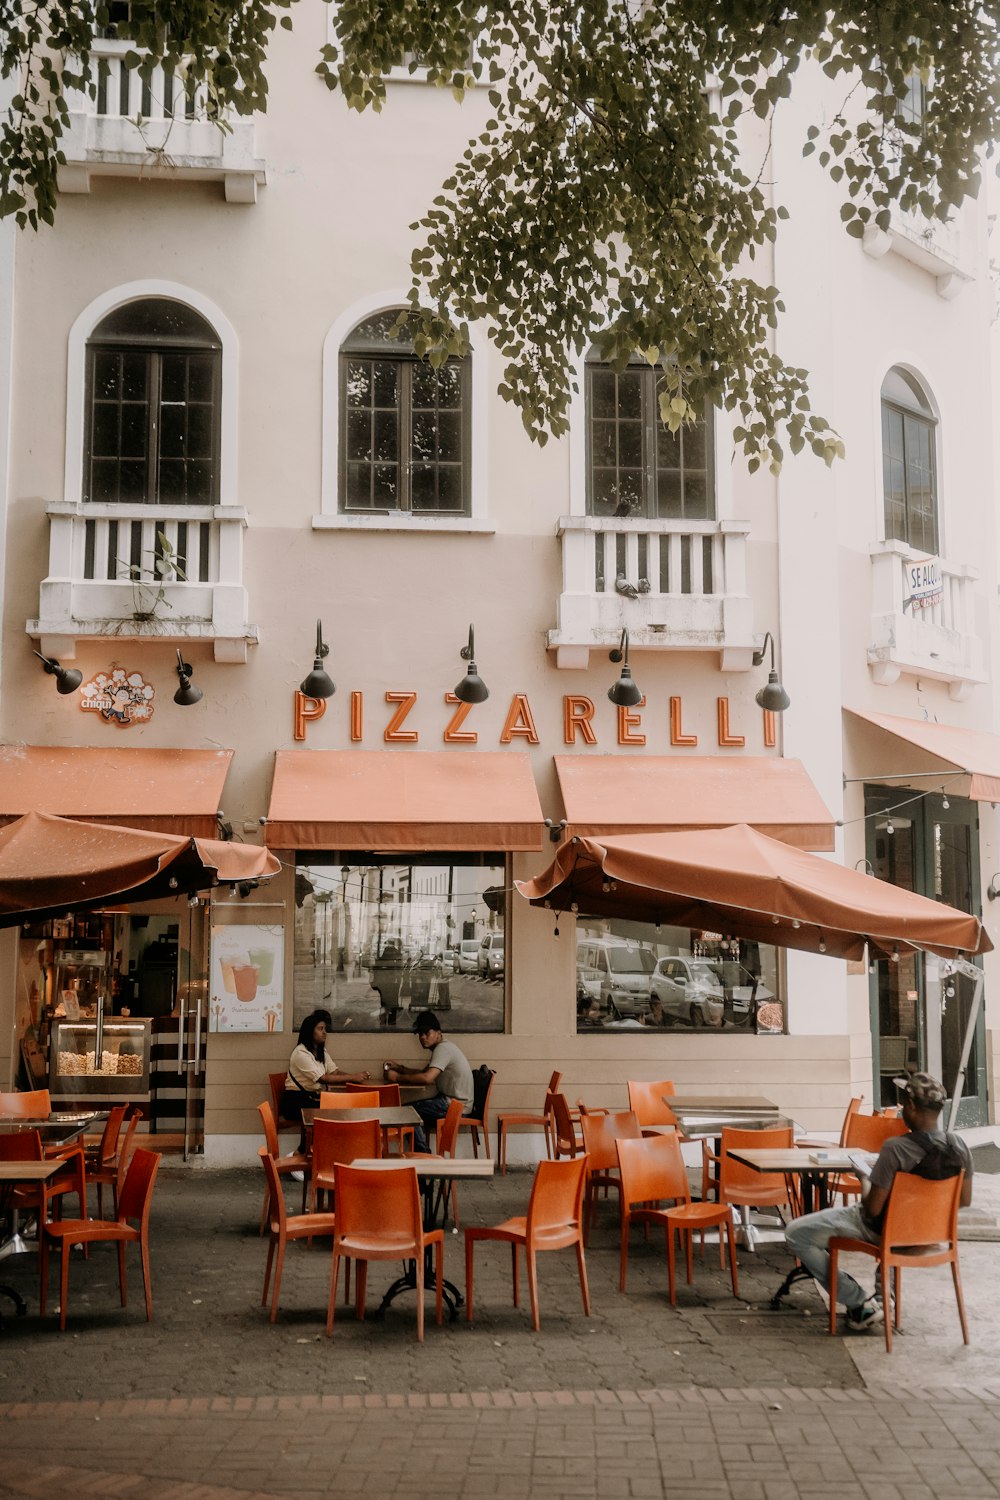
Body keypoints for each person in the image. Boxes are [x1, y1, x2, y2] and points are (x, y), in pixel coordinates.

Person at [784, 1072, 973, 1333]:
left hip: (884, 1231)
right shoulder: (960, 1146)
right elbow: (964, 1200)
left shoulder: (895, 1148)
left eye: (904, 1104)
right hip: (929, 1234)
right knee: (891, 1223)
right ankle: (885, 1298)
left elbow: (872, 1209)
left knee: (797, 1233)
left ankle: (860, 1302)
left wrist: (865, 1178)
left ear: (912, 1107)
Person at [384, 1009, 473, 1153]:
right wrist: (400, 1068)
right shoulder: (443, 1048)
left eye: (427, 1033)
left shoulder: (443, 1049)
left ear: (438, 1033)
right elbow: (424, 1072)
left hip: (456, 1106)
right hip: (452, 1102)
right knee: (410, 1111)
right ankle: (423, 1156)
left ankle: (425, 1156)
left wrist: (397, 1078)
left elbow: (427, 1078)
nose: (423, 1037)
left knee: (408, 1113)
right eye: (420, 1034)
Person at [280, 1012, 371, 1124]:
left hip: (313, 1098)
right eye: (320, 1029)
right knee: (337, 1109)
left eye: (325, 1029)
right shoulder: (300, 1053)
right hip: (297, 1102)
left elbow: (335, 1072)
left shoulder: (320, 1051)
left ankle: (337, 1138)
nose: (324, 1032)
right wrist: (353, 1077)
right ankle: (327, 1139)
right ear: (310, 1032)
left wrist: (357, 1077)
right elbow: (322, 1078)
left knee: (344, 1104)